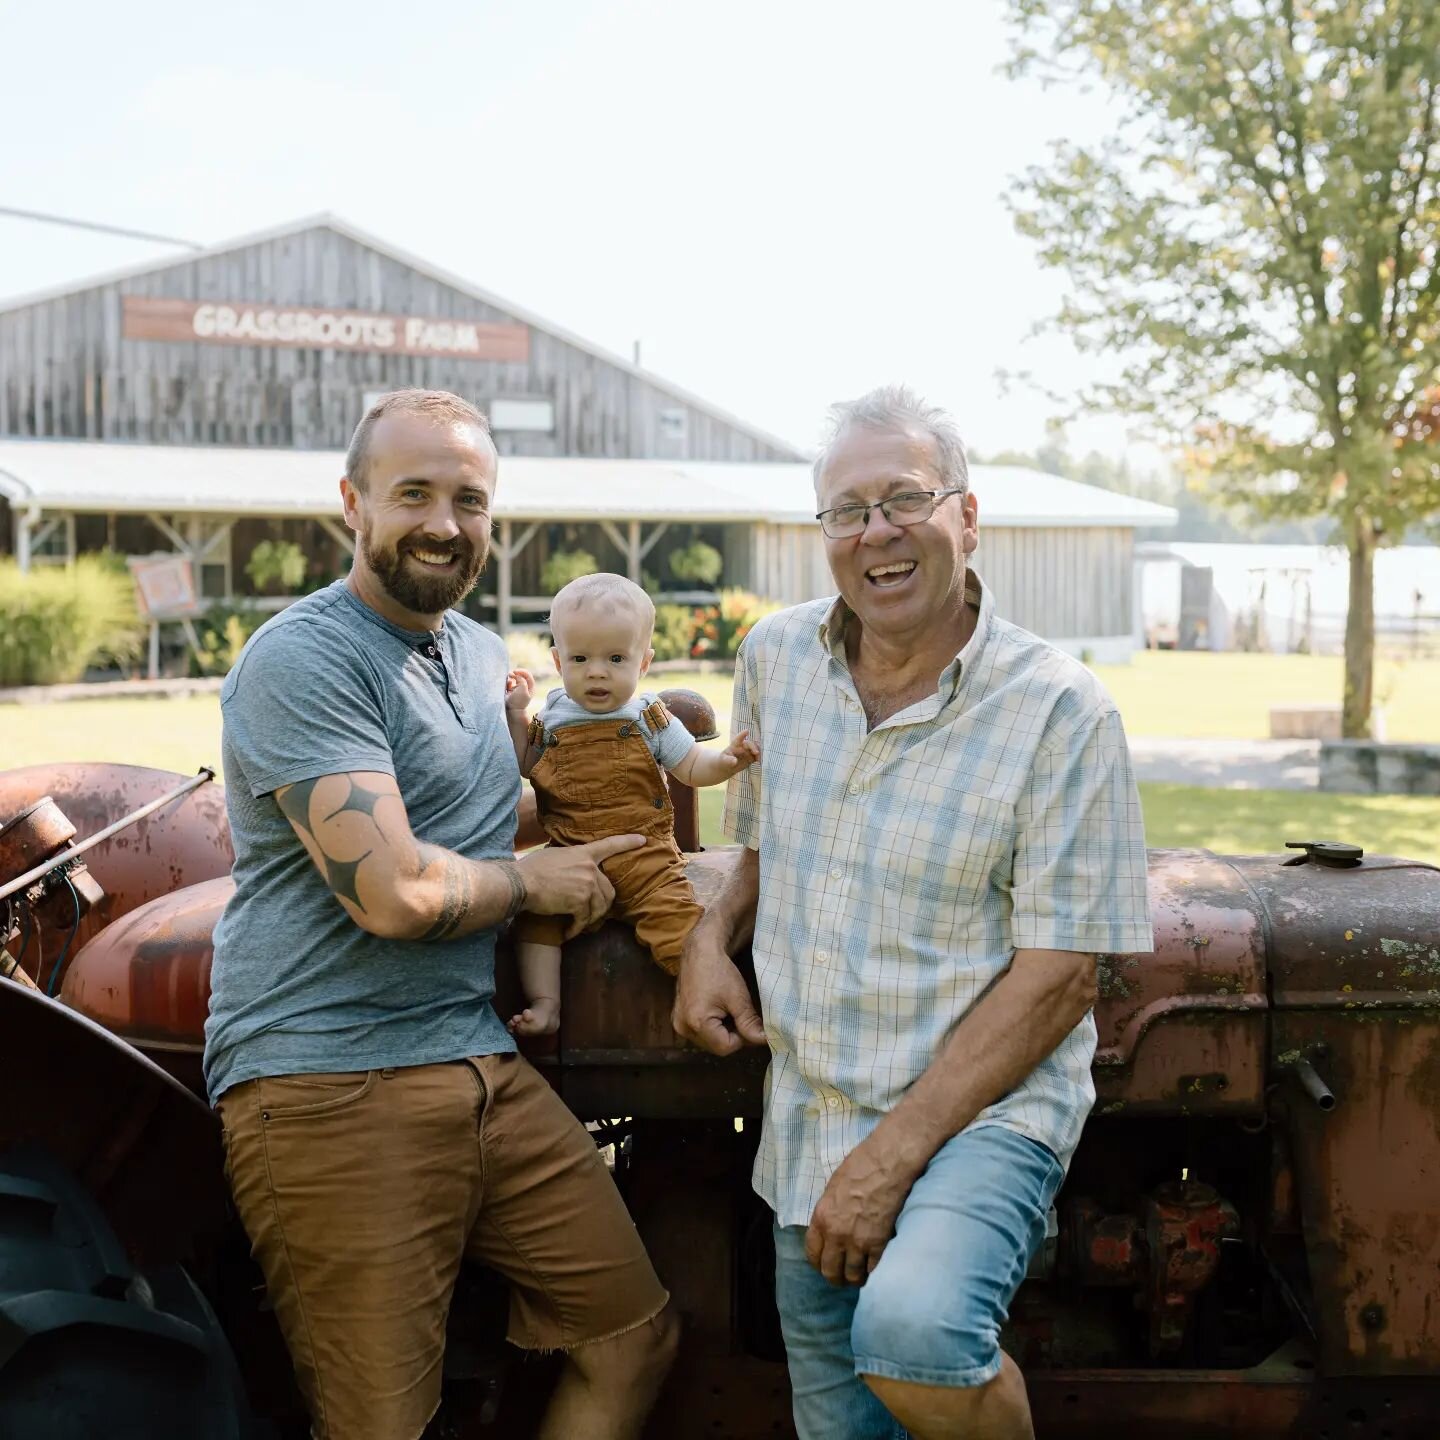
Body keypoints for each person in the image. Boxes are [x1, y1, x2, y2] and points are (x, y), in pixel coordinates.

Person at [672, 386, 1152, 1440]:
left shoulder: (1061, 710)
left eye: (905, 500)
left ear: (966, 519)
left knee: (919, 1336)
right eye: (847, 510)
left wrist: (888, 1161)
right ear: (825, 535)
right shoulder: (776, 661)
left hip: (980, 1116)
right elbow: (762, 846)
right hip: (811, 1112)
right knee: (841, 1428)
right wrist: (710, 938)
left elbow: (1064, 971)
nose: (876, 532)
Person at [203, 389, 678, 1440]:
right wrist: (533, 883)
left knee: (632, 1337)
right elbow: (396, 890)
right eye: (412, 492)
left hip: (476, 1058)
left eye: (470, 499)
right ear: (352, 505)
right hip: (326, 1076)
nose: (444, 522)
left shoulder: (474, 656)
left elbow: (495, 802)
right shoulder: (304, 657)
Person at [503, 571, 759, 1036]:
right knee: (534, 921)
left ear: (643, 664)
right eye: (580, 658)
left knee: (683, 930)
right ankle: (546, 1004)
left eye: (616, 658)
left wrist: (726, 761)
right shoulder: (552, 717)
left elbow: (692, 766)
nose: (597, 671)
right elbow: (527, 762)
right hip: (568, 858)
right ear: (558, 661)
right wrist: (515, 714)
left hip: (647, 862)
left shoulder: (648, 717)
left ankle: (707, 1000)